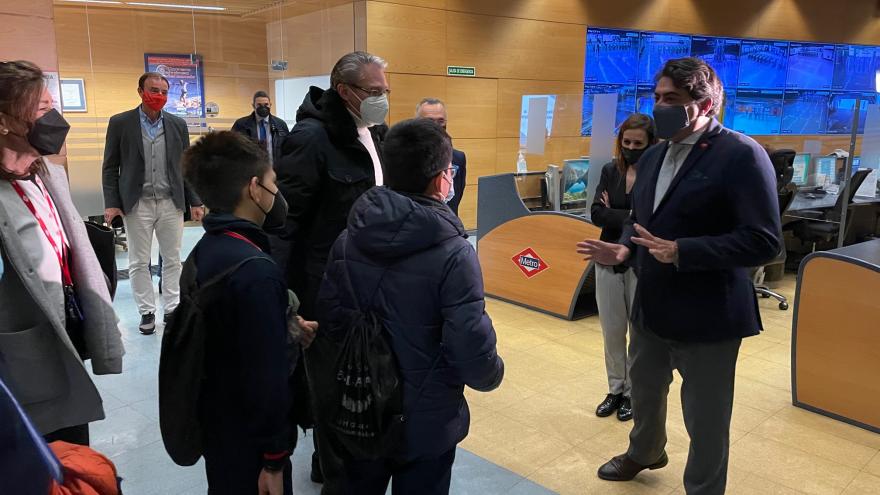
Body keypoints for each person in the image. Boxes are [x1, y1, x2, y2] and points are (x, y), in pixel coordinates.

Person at [577, 57, 781, 494]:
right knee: (646, 391)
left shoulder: (741, 155)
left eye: (671, 98)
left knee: (705, 416)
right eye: (657, 97)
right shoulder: (653, 156)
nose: (659, 107)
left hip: (709, 313)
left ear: (704, 104)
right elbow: (639, 218)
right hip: (652, 303)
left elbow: (764, 241)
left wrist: (683, 250)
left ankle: (704, 488)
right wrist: (625, 247)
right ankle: (645, 451)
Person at [315, 118, 504, 494]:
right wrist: (491, 373)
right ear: (441, 179)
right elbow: (467, 339)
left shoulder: (348, 238)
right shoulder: (455, 253)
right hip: (427, 416)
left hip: (360, 403)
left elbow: (331, 319)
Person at [276, 50, 389, 489]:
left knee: (359, 377)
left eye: (385, 90)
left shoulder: (374, 132)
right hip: (324, 287)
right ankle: (334, 469)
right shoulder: (310, 139)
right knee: (330, 385)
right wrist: (285, 302)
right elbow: (285, 225)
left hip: (369, 282)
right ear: (344, 91)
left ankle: (340, 460)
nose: (382, 99)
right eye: (374, 91)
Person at [181, 130, 317, 495]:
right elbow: (266, 377)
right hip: (252, 444)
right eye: (274, 183)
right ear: (255, 189)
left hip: (219, 425)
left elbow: (229, 334)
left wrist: (285, 327)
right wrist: (274, 458)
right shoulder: (256, 270)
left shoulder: (207, 250)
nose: (277, 192)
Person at [0, 60, 124, 446]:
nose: (53, 119)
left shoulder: (48, 174)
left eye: (52, 105)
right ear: (4, 120)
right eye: (41, 109)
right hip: (21, 354)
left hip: (66, 327)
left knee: (73, 445)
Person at [102, 72, 205, 335]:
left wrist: (195, 200)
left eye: (163, 92)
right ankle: (146, 311)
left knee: (172, 259)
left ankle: (171, 308)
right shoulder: (120, 123)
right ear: (140, 91)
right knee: (138, 261)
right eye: (153, 90)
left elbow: (186, 166)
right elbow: (110, 167)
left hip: (171, 202)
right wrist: (112, 202)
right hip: (137, 204)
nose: (158, 96)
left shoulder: (177, 124)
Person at [590, 113, 656, 423]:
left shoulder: (656, 176)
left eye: (637, 144)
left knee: (638, 332)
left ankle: (633, 392)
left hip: (640, 261)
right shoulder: (610, 170)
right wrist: (630, 215)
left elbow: (649, 220)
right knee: (612, 330)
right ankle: (615, 389)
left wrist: (616, 213)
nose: (630, 148)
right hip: (606, 257)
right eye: (626, 142)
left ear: (651, 144)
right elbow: (596, 214)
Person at [415, 98, 467, 216]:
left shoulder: (458, 158)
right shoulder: (404, 158)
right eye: (429, 121)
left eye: (441, 121)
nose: (436, 126)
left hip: (448, 222)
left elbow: (456, 199)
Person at [231, 90, 290, 167]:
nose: (263, 107)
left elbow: (287, 149)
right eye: (259, 105)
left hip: (275, 170)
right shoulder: (241, 125)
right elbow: (232, 148)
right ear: (253, 106)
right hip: (250, 169)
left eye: (266, 104)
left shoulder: (280, 125)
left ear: (270, 105)